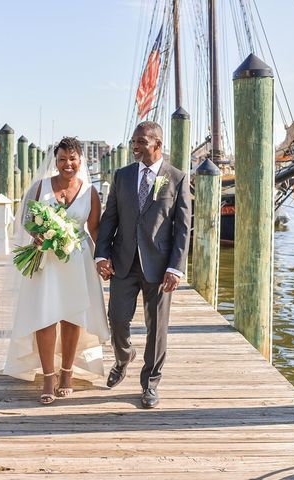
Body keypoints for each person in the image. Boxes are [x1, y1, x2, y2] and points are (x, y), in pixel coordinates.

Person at [1, 137, 110, 405]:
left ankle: (67, 373)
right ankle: (48, 375)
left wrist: (103, 260)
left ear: (80, 160)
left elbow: (95, 230)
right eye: (62, 159)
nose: (67, 164)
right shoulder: (41, 187)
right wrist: (38, 236)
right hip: (47, 261)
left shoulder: (90, 192)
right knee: (45, 317)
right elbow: (26, 220)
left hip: (78, 261)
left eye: (72, 159)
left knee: (73, 317)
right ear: (55, 161)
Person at [94, 121, 191, 409]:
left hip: (159, 267)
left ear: (157, 144)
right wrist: (102, 255)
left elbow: (183, 228)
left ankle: (150, 383)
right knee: (118, 320)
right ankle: (124, 358)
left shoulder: (177, 178)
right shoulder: (122, 176)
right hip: (123, 263)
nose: (134, 146)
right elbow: (110, 217)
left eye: (140, 142)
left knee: (157, 328)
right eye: (133, 141)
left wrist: (176, 267)